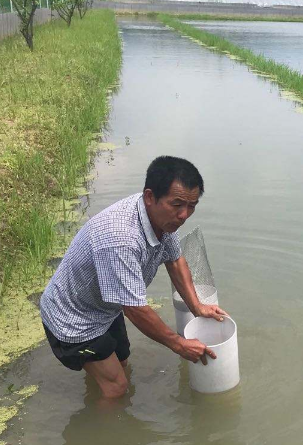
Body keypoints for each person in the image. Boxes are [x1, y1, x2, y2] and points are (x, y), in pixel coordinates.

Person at [40, 156, 227, 399]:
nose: (184, 215)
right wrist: (178, 344)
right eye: (177, 204)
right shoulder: (121, 239)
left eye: (191, 206)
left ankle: (97, 384)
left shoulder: (162, 220)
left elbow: (175, 260)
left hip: (105, 307)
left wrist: (197, 306)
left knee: (122, 360)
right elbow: (135, 309)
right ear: (150, 197)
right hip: (74, 319)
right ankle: (106, 433)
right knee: (117, 386)